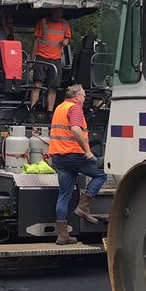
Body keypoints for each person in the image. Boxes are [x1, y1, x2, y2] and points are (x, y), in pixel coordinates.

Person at [47, 83, 108, 245]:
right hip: (74, 155)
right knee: (102, 173)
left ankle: (62, 235)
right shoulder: (74, 109)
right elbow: (75, 129)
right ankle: (83, 206)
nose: (84, 98)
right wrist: (87, 151)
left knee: (64, 195)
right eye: (83, 95)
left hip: (60, 157)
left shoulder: (60, 107)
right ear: (76, 96)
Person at [28, 8, 71, 116]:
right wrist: (32, 59)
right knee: (37, 84)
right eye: (56, 12)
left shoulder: (65, 24)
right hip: (41, 58)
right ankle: (32, 111)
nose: (58, 14)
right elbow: (36, 41)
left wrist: (66, 41)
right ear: (51, 12)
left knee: (53, 87)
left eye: (60, 12)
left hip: (56, 60)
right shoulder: (42, 23)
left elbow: (67, 38)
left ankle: (49, 113)